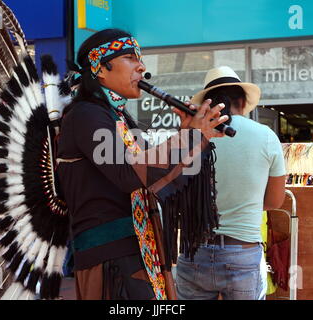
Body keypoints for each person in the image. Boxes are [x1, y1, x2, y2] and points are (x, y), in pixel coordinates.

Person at [56, 29, 229, 300]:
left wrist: (186, 133)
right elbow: (128, 173)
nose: (142, 67)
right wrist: (190, 137)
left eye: (140, 58)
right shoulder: (85, 115)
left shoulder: (118, 117)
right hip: (110, 259)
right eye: (129, 57)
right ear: (100, 68)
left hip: (138, 251)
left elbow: (152, 175)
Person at [176, 66, 286, 300]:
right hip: (242, 252)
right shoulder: (265, 136)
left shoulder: (190, 136)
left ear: (208, 103)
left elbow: (174, 189)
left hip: (194, 250)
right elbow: (275, 201)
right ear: (243, 100)